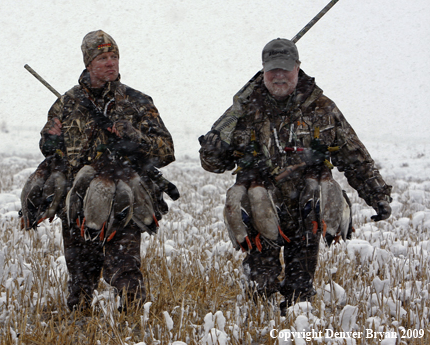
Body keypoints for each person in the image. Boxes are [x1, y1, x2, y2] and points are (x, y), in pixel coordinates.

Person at [199, 38, 392, 313]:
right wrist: (213, 146)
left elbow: (354, 155)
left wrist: (377, 195)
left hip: (307, 209)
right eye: (272, 69)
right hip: (260, 207)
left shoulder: (321, 108)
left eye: (285, 69)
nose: (279, 75)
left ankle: (296, 328)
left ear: (298, 68)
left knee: (299, 293)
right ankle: (262, 328)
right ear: (263, 70)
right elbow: (213, 164)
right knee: (259, 288)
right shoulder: (242, 110)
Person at [38, 30, 175, 311]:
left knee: (125, 270)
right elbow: (50, 150)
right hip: (77, 199)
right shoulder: (66, 103)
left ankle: (134, 323)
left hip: (123, 196)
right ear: (88, 64)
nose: (110, 63)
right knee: (80, 275)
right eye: (102, 58)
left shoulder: (138, 102)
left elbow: (166, 150)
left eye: (114, 56)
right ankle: (79, 324)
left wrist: (135, 137)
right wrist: (49, 138)